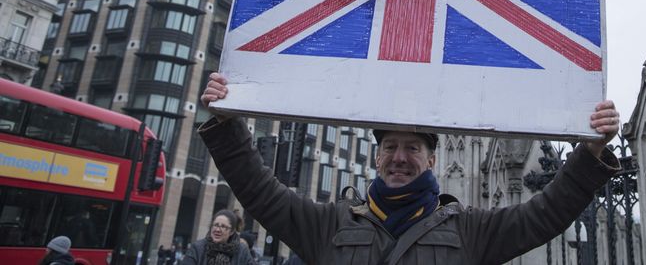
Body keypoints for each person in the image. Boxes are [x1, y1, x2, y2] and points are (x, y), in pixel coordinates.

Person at [200, 72, 621, 264]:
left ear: (433, 158)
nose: (400, 156)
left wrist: (590, 154)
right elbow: (259, 192)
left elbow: (544, 216)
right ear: (376, 156)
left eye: (413, 147)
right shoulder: (329, 224)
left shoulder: (469, 230)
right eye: (390, 146)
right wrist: (226, 123)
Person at [181, 209, 254, 265]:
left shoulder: (242, 251)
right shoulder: (197, 248)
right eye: (215, 225)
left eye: (223, 226)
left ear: (231, 231)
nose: (217, 230)